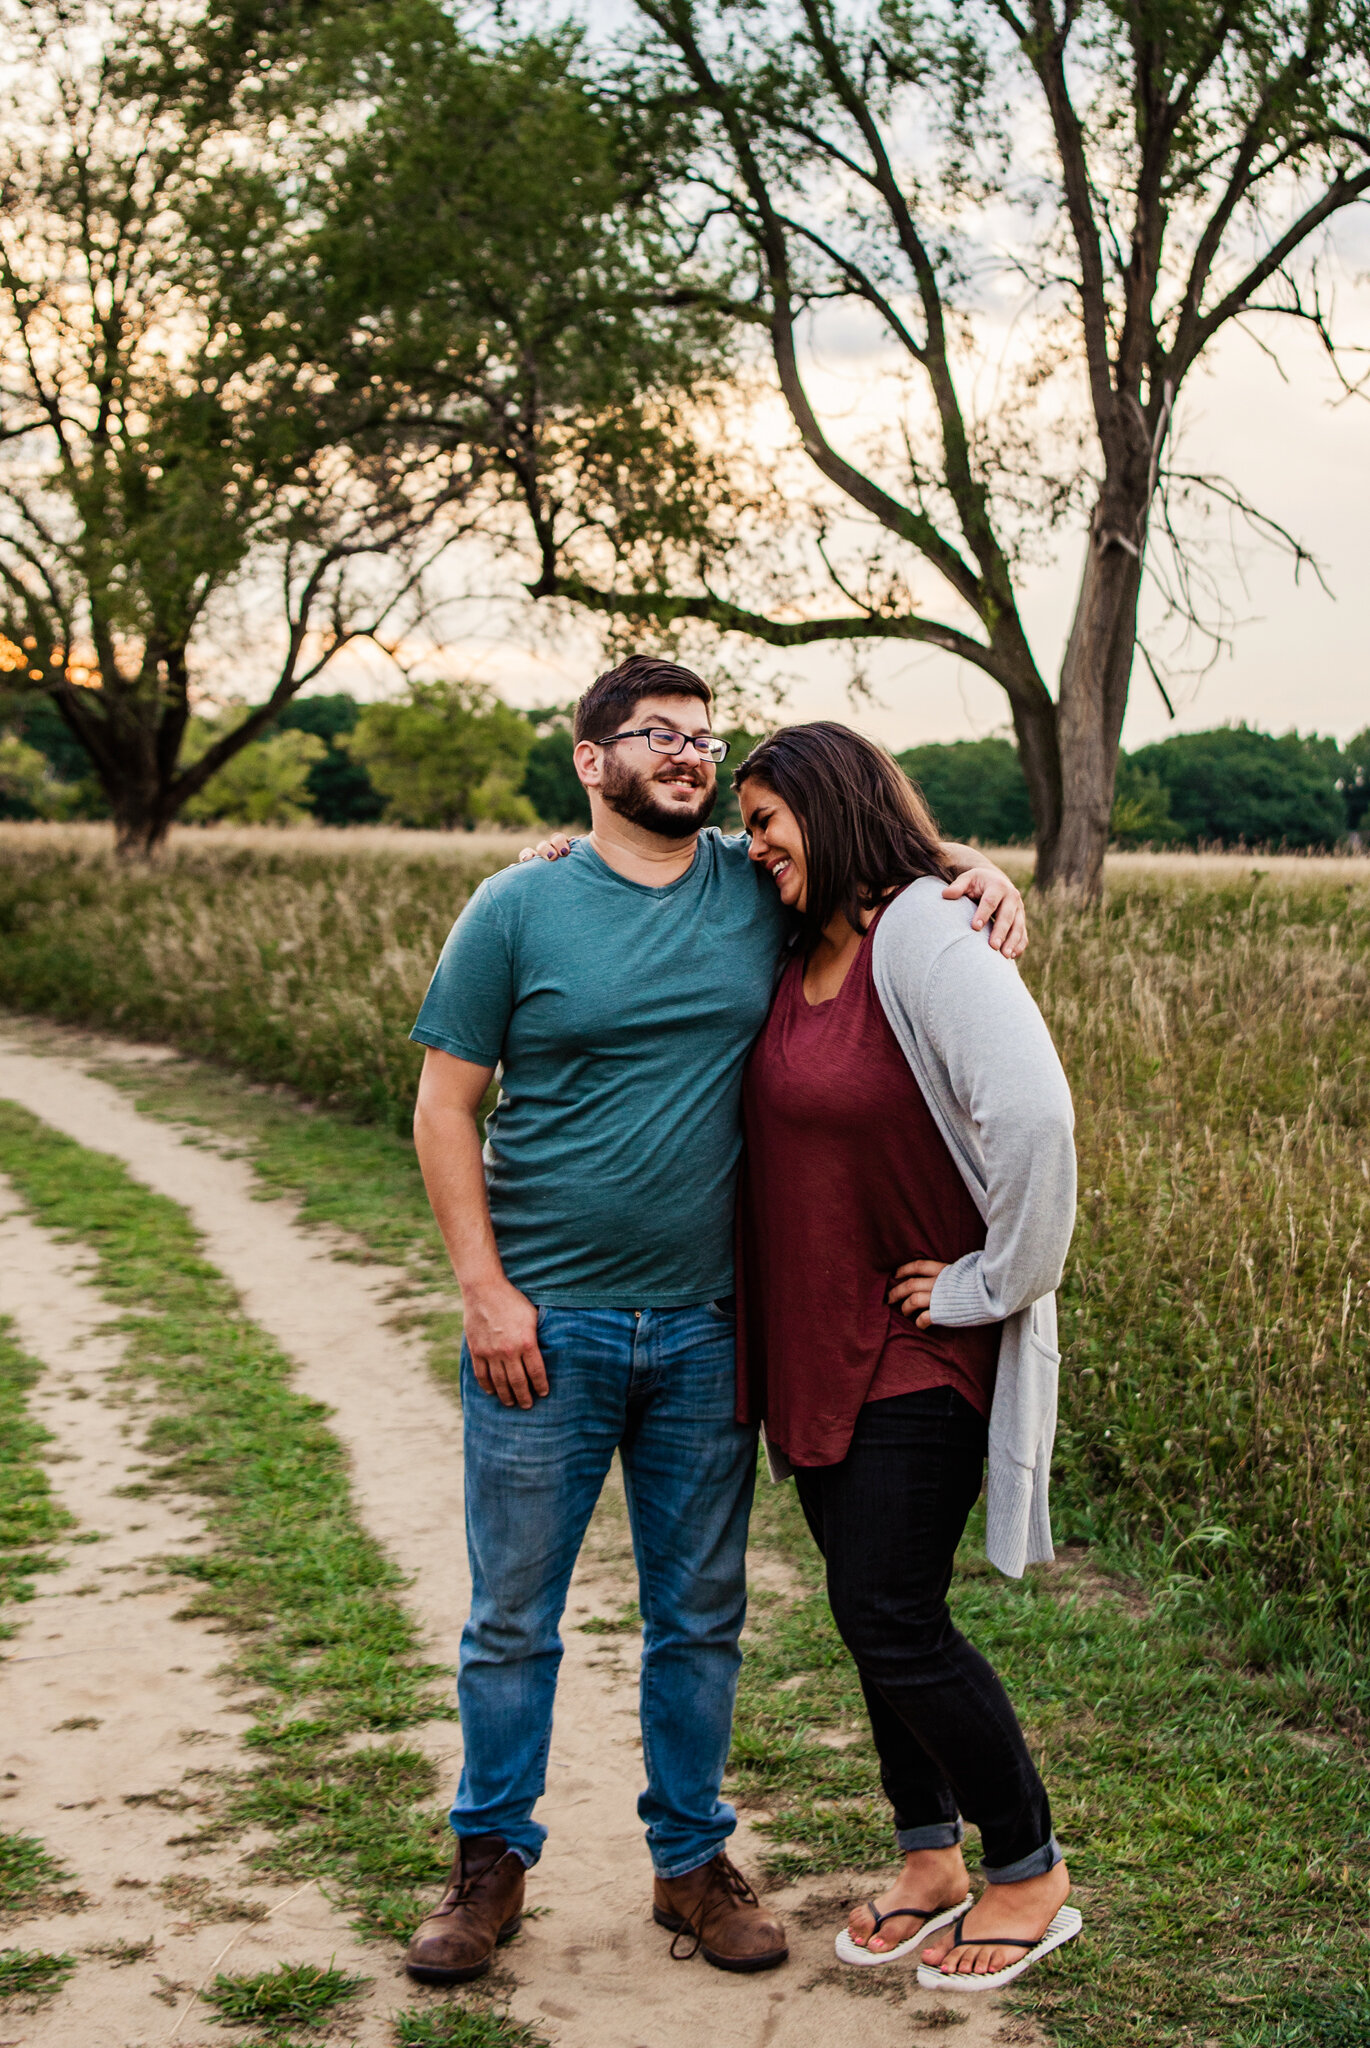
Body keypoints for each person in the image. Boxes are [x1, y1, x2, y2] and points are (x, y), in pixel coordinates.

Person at [402, 655, 1028, 1985]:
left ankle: (690, 1862)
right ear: (590, 761)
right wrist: (484, 1289)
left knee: (699, 1615)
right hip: (544, 1325)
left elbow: (868, 857)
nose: (689, 755)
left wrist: (977, 868)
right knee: (513, 1613)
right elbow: (444, 1105)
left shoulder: (757, 896)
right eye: (655, 735)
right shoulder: (514, 910)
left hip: (705, 1330)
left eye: (703, 736)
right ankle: (486, 1866)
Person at [734, 721, 1081, 1995]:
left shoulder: (926, 932)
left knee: (890, 1608)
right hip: (812, 1342)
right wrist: (559, 850)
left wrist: (993, 1281)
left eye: (770, 817)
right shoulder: (785, 935)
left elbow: (1035, 1117)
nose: (754, 842)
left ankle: (1027, 1866)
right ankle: (927, 1855)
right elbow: (652, 862)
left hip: (914, 1337)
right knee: (866, 1611)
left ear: (828, 811)